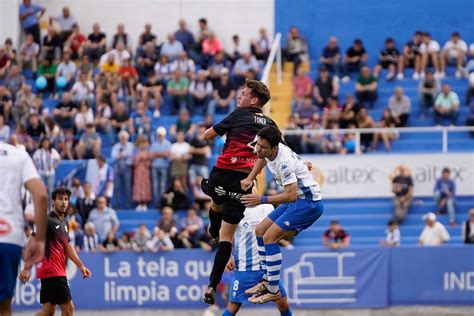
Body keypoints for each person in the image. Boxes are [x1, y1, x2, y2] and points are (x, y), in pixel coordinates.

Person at [201, 79, 276, 305]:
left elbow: (207, 136)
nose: (238, 97)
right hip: (243, 183)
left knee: (214, 200)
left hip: (222, 174)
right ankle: (211, 286)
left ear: (253, 99)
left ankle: (212, 227)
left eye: (242, 94)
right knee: (227, 239)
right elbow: (276, 153)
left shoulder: (237, 115)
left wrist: (228, 133)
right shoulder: (271, 125)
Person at [239, 125, 323, 304]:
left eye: (262, 146)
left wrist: (260, 200)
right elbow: (262, 159)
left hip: (308, 203)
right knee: (260, 230)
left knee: (270, 237)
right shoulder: (270, 149)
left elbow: (290, 194)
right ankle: (267, 279)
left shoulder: (284, 162)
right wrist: (250, 177)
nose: (257, 149)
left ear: (274, 148)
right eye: (257, 144)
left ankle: (273, 289)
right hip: (295, 201)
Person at [19, 188, 92, 316]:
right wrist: (26, 268)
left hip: (53, 271)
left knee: (48, 311)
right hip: (53, 271)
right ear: (53, 202)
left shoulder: (65, 222)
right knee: (69, 309)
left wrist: (81, 266)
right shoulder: (47, 220)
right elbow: (32, 242)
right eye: (60, 199)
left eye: (66, 199)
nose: (64, 202)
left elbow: (68, 247)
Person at [223, 183, 292, 315]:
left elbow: (275, 231)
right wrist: (228, 255)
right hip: (245, 267)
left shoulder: (268, 207)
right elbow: (225, 234)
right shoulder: (234, 209)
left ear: (257, 186)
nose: (250, 189)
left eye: (252, 185)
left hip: (266, 267)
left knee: (283, 303)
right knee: (233, 306)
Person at [0, 141, 48, 316]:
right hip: (8, 236)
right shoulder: (19, 155)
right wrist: (40, 239)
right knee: (3, 307)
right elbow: (41, 195)